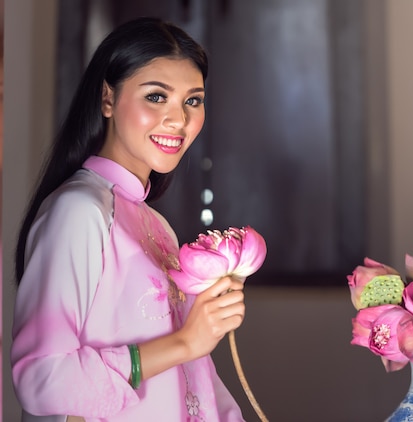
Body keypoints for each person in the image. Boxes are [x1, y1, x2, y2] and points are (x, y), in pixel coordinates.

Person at [11, 17, 246, 421]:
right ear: (107, 98)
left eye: (193, 100)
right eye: (156, 97)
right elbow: (40, 380)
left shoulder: (157, 227)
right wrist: (186, 342)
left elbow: (193, 383)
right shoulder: (80, 210)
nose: (179, 120)